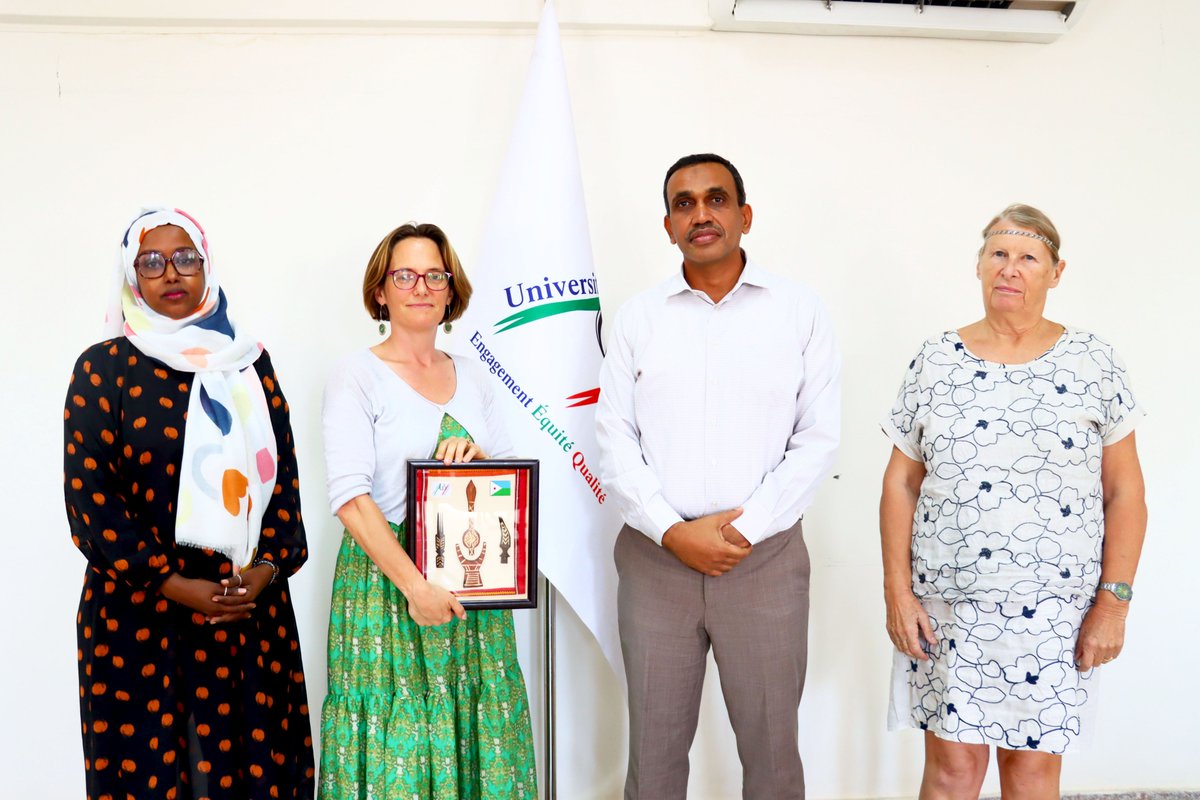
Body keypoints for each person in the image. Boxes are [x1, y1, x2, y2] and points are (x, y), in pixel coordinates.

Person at [879, 204, 1147, 797]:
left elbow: (1125, 490)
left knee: (1031, 773)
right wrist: (898, 593)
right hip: (950, 606)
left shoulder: (1093, 363)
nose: (1010, 268)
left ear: (1056, 272)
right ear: (978, 266)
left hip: (1055, 612)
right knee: (952, 771)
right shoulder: (935, 361)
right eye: (998, 253)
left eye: (1029, 256)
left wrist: (1115, 603)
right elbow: (899, 483)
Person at [596, 154, 841, 799]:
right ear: (668, 226)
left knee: (772, 754)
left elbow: (817, 438)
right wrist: (673, 532)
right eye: (684, 203)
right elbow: (612, 438)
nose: (700, 213)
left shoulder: (799, 311)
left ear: (744, 215)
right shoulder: (637, 318)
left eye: (716, 198)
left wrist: (744, 531)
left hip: (763, 562)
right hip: (656, 563)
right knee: (653, 756)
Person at [63, 207, 314, 799]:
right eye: (151, 261)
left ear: (207, 268)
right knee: (151, 779)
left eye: (186, 258)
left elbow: (284, 489)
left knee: (253, 776)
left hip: (248, 611)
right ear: (131, 277)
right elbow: (91, 503)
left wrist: (262, 573)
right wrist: (177, 586)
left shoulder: (250, 364)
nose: (171, 273)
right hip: (139, 616)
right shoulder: (104, 369)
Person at [319, 222, 537, 800]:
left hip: (473, 594)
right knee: (401, 743)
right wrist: (417, 587)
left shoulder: (478, 374)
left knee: (474, 725)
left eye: (434, 275)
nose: (421, 286)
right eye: (405, 275)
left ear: (450, 289)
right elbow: (349, 497)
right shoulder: (356, 375)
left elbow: (513, 484)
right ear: (381, 291)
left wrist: (480, 460)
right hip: (388, 588)